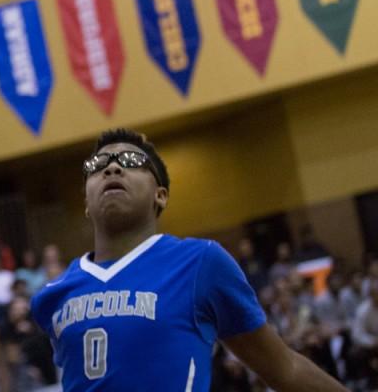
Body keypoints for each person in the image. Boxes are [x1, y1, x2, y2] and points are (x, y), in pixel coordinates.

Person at [30, 128, 345, 391]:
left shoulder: (200, 263)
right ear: (86, 200)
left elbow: (284, 368)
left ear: (160, 195)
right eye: (98, 165)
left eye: (131, 161)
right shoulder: (52, 295)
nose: (112, 168)